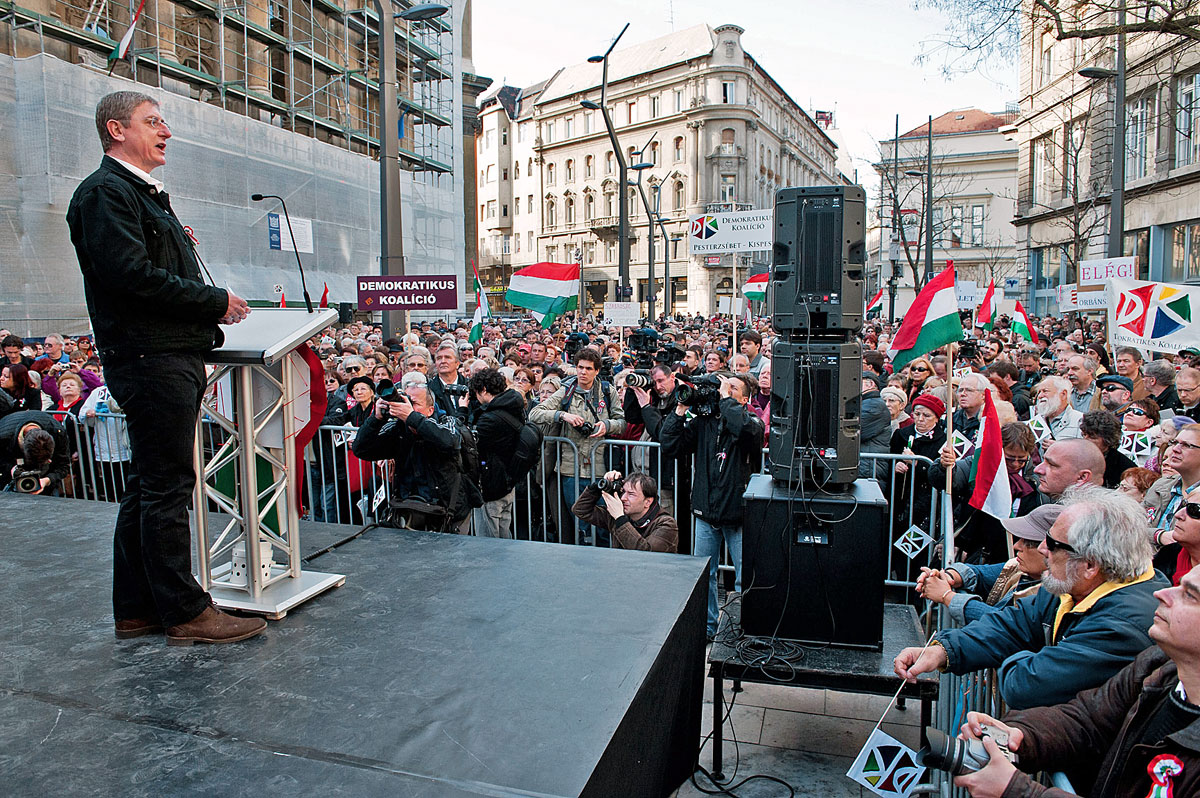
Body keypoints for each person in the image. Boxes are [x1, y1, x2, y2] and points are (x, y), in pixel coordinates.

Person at [66, 91, 263, 646]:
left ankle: (136, 609)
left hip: (163, 353)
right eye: (152, 122)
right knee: (167, 487)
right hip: (152, 356)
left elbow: (144, 267)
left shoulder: (138, 194)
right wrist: (213, 302)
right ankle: (184, 610)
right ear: (116, 129)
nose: (166, 131)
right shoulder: (106, 192)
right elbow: (131, 276)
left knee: (149, 486)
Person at [895, 486, 1168, 709]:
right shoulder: (1071, 586)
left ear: (1091, 565)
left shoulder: (1122, 626)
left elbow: (1024, 685)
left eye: (1053, 544)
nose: (1042, 549)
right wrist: (943, 650)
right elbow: (1013, 624)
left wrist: (1027, 651)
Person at [952, 564, 1200, 798]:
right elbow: (1087, 719)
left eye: (1190, 595)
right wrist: (1016, 735)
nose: (1162, 593)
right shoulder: (1158, 666)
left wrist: (1017, 790)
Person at [661, 373, 765, 641]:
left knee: (744, 578)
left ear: (744, 398)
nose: (723, 392)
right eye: (722, 387)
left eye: (732, 389)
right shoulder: (704, 424)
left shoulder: (750, 421)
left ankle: (739, 628)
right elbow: (671, 445)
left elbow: (745, 432)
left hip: (738, 514)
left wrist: (725, 398)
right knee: (704, 575)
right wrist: (680, 410)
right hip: (707, 513)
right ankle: (708, 627)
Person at [529, 346, 626, 545]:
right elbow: (535, 414)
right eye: (580, 367)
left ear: (597, 370)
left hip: (600, 469)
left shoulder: (607, 391)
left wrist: (606, 426)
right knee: (578, 523)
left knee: (603, 525)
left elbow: (622, 423)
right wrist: (562, 415)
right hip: (570, 470)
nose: (583, 372)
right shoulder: (566, 390)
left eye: (588, 368)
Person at [352, 383, 476, 532]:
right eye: (406, 401)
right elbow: (361, 449)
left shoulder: (446, 422)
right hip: (409, 510)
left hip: (447, 513)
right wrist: (375, 419)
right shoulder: (398, 429)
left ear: (430, 410)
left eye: (414, 403)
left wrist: (412, 418)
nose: (408, 407)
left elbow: (450, 441)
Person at [917, 504, 1060, 624]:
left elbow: (1004, 624)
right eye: (1020, 539)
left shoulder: (1055, 596)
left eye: (1029, 542)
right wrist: (947, 576)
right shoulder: (1018, 567)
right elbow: (980, 574)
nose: (1016, 546)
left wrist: (946, 596)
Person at [468, 368, 525, 539]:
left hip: (491, 483)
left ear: (484, 390)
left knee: (488, 539)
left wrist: (463, 413)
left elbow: (470, 443)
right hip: (508, 480)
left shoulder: (490, 418)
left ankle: (491, 566)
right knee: (503, 532)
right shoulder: (514, 405)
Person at [570, 470, 678, 552]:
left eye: (631, 494)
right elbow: (580, 510)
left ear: (648, 502)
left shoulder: (666, 524)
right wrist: (597, 487)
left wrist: (620, 519)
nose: (623, 498)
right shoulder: (618, 514)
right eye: (623, 492)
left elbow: (646, 554)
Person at [0, 409, 71, 493]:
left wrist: (46, 480)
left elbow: (63, 465)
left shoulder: (57, 431)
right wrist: (11, 469)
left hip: (45, 482)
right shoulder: (3, 436)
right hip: (8, 479)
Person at [1080, 410, 1137, 489]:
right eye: (1084, 435)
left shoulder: (1125, 467)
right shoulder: (1074, 458)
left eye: (1092, 437)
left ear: (1108, 440)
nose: (1085, 440)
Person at [1032, 375, 1083, 442]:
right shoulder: (1036, 421)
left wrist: (1059, 449)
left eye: (1045, 391)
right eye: (1039, 392)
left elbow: (1086, 450)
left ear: (1063, 394)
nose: (1040, 396)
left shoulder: (1080, 420)